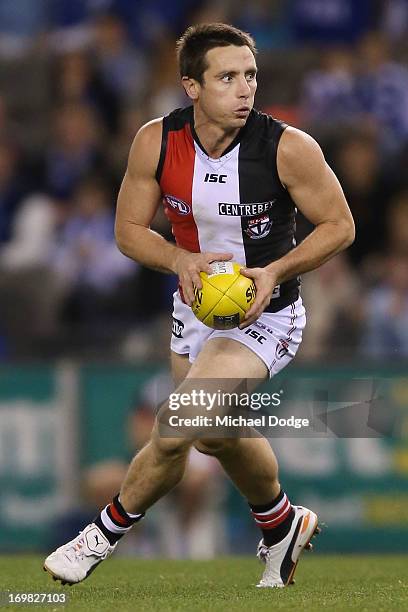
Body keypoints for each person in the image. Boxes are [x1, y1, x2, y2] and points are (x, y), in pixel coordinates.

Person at [44, 23, 354, 588]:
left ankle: (99, 536)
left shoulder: (287, 146)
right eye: (227, 77)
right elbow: (128, 231)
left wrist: (276, 271)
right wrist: (178, 260)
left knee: (176, 423)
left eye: (251, 76)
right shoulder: (156, 141)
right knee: (211, 433)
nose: (245, 90)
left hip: (268, 314)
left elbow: (340, 225)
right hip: (196, 309)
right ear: (191, 85)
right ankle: (282, 523)